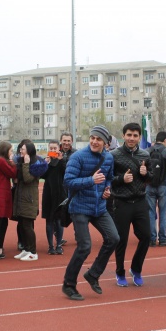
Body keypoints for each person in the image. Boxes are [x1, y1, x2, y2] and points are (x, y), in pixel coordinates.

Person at [62, 125, 119, 301]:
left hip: (99, 207)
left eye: (98, 139)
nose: (94, 141)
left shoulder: (108, 158)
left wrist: (107, 189)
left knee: (114, 238)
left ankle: (93, 274)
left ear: (106, 143)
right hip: (79, 207)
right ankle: (69, 284)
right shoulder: (78, 157)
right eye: (92, 138)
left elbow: (109, 178)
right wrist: (91, 180)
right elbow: (68, 181)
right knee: (85, 246)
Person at [110, 122, 153, 287]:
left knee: (146, 236)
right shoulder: (114, 155)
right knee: (121, 240)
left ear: (139, 137)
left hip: (140, 201)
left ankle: (136, 269)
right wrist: (121, 179)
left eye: (135, 135)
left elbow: (151, 178)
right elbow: (108, 179)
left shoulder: (145, 155)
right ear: (123, 136)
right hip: (122, 202)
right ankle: (120, 272)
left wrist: (145, 174)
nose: (132, 138)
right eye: (129, 135)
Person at [12, 140, 48, 261]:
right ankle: (26, 249)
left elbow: (27, 179)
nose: (20, 151)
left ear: (29, 151)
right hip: (21, 197)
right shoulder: (21, 161)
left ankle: (33, 252)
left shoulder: (36, 165)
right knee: (22, 225)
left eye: (23, 149)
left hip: (29, 199)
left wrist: (26, 164)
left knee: (27, 226)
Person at [146, 131, 166, 247]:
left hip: (149, 185)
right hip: (164, 186)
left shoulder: (147, 151)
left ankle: (152, 239)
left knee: (150, 212)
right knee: (163, 213)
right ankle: (162, 239)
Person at [41, 140, 67, 255]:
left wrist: (61, 160)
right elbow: (42, 175)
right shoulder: (46, 162)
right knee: (49, 220)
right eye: (50, 148)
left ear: (58, 149)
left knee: (59, 220)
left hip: (60, 194)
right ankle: (51, 246)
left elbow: (65, 172)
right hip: (48, 194)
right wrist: (45, 164)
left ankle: (59, 245)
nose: (52, 150)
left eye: (54, 148)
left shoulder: (62, 161)